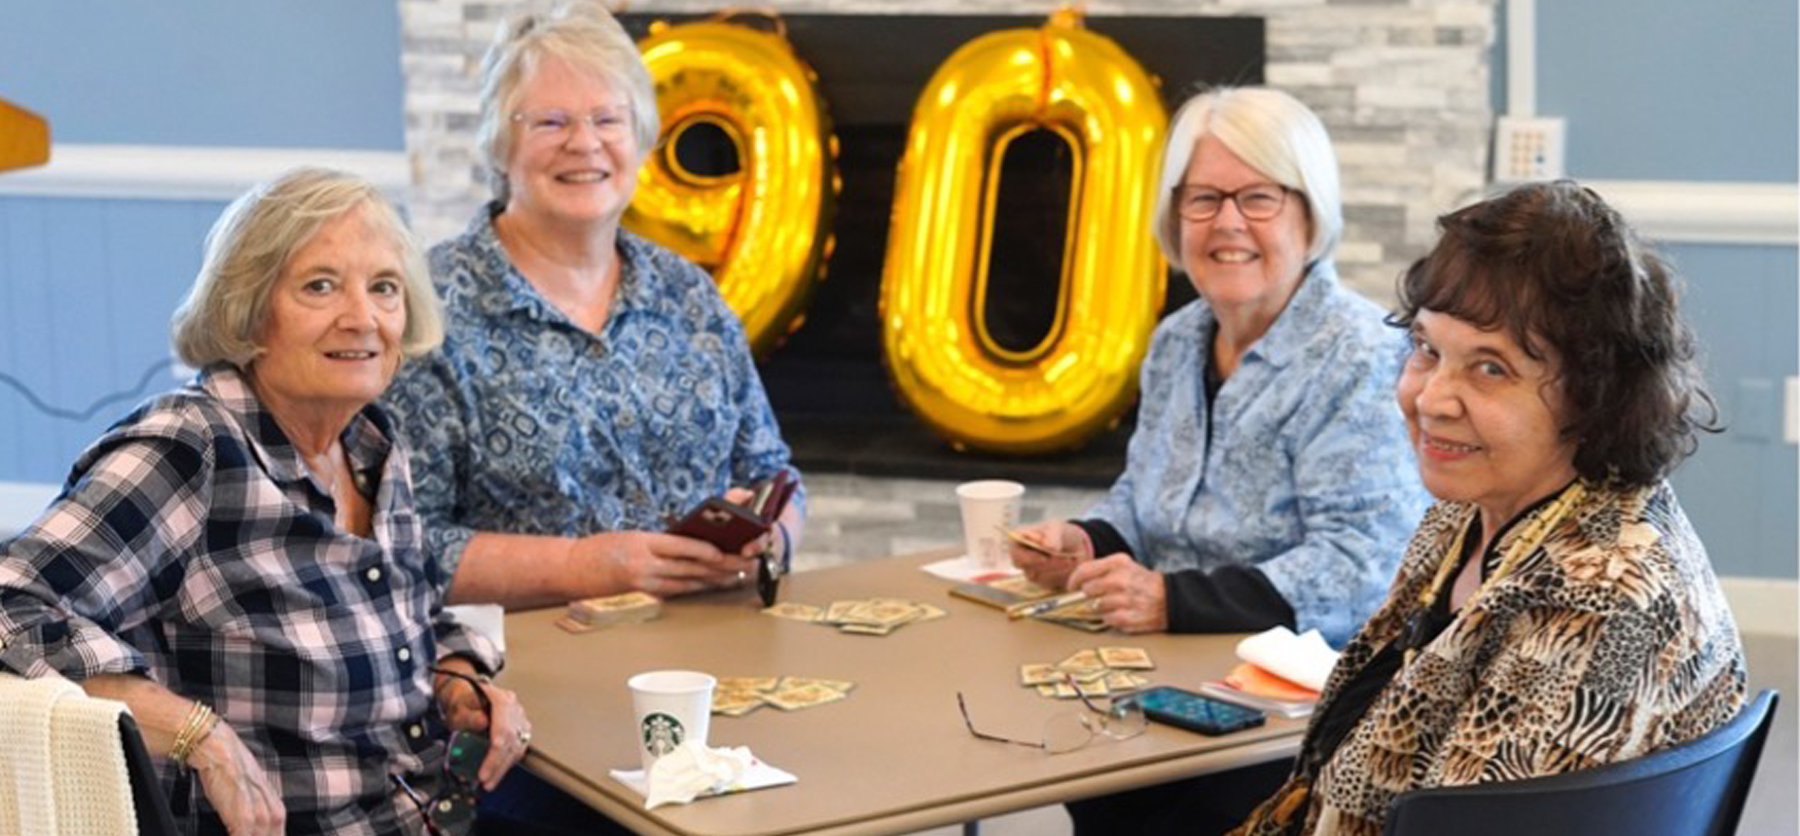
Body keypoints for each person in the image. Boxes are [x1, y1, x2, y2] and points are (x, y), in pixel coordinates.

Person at [0, 168, 531, 836]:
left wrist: (459, 678)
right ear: (250, 311)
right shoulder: (193, 446)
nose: (363, 318)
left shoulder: (369, 443)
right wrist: (199, 734)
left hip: (430, 811)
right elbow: (11, 603)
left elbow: (409, 613)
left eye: (384, 288)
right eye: (320, 285)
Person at [1230, 180, 1748, 836]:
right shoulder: (1470, 514)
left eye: (1491, 369)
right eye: (1427, 350)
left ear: (1595, 394)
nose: (1432, 399)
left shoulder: (1603, 600)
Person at [382, 1, 802, 612]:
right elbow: (402, 545)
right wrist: (585, 567)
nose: (585, 143)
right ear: (501, 145)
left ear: (641, 139)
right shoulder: (427, 308)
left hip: (716, 651)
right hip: (526, 672)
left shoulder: (688, 293)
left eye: (609, 119)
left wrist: (773, 540)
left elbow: (774, 475)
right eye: (551, 123)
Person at [1010, 86, 1428, 645]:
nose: (1227, 222)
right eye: (1203, 198)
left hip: (1301, 687)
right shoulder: (1176, 341)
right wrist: (1087, 541)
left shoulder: (1363, 355)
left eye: (1259, 197)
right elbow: (1144, 498)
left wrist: (1171, 601)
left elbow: (1362, 567)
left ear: (1310, 212)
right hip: (1170, 652)